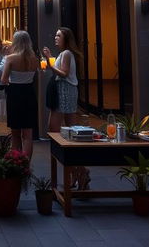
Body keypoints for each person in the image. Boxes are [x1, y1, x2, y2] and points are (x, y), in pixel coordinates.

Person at [43, 26, 89, 189]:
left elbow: (63, 73)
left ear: (65, 39)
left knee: (55, 131)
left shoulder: (67, 53)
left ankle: (78, 171)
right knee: (71, 131)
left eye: (58, 36)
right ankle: (78, 172)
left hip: (65, 92)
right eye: (55, 35)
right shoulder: (64, 54)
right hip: (67, 91)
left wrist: (49, 60)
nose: (55, 38)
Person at [1, 30, 39, 157]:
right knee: (28, 134)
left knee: (15, 133)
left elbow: (4, 79)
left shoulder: (11, 58)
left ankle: (17, 165)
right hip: (29, 93)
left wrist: (5, 56)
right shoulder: (34, 59)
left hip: (15, 94)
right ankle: (26, 164)